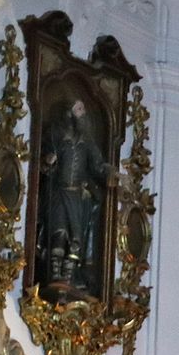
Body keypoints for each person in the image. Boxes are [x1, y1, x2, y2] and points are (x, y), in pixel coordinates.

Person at [39, 99, 112, 302]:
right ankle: (55, 275)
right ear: (69, 113)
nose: (82, 113)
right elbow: (44, 160)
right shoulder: (56, 136)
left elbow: (98, 166)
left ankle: (68, 276)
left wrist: (111, 173)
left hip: (77, 197)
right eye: (78, 109)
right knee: (58, 233)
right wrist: (48, 161)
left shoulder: (87, 142)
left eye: (83, 110)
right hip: (59, 193)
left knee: (76, 238)